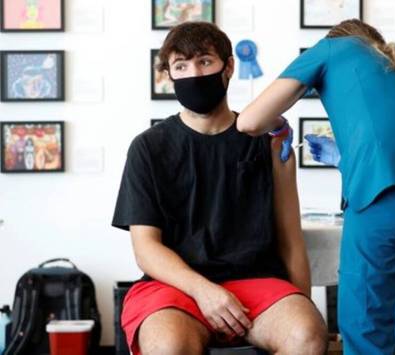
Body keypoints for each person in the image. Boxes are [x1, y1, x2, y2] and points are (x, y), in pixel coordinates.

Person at [237, 19, 395, 354]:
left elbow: (249, 121)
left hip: (387, 192)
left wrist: (278, 123)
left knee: (366, 323)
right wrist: (343, 159)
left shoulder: (332, 48)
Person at [112, 22, 327, 355]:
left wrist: (302, 305)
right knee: (168, 347)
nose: (193, 73)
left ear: (228, 67)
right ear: (169, 74)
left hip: (258, 283)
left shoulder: (268, 142)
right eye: (181, 66)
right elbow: (146, 249)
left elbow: (290, 239)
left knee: (306, 336)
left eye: (204, 61)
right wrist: (203, 290)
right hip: (173, 286)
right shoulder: (148, 148)